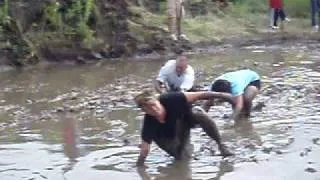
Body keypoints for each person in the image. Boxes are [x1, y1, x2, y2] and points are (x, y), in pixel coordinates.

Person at [134, 90, 234, 166]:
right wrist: (139, 167)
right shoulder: (149, 123)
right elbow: (145, 150)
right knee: (183, 159)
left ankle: (221, 145)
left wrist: (225, 96)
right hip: (166, 139)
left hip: (182, 124)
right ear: (145, 111)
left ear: (158, 100)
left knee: (197, 111)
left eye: (154, 105)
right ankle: (179, 153)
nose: (154, 110)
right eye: (149, 109)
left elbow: (201, 95)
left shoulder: (170, 98)